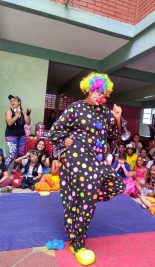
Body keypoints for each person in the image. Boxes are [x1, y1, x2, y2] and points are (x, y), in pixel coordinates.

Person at [47, 72, 126, 266]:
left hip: (96, 160)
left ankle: (80, 201)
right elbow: (54, 131)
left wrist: (117, 117)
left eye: (105, 92)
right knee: (87, 195)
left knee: (116, 184)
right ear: (90, 89)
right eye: (99, 91)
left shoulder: (104, 111)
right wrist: (64, 142)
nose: (102, 96)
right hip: (77, 156)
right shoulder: (75, 108)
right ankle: (77, 243)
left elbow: (114, 135)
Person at [4, 95, 31, 171]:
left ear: (19, 102)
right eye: (11, 101)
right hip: (11, 136)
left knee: (20, 154)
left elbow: (28, 123)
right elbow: (9, 123)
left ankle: (14, 169)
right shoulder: (8, 111)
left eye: (14, 100)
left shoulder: (23, 112)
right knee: (12, 154)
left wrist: (28, 114)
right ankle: (3, 170)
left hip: (22, 136)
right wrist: (17, 116)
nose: (12, 102)